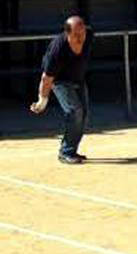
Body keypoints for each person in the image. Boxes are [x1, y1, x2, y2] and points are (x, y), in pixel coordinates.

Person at [30, 15, 93, 164]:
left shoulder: (89, 35)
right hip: (60, 81)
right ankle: (65, 153)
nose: (81, 38)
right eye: (76, 35)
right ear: (67, 34)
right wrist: (42, 101)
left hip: (78, 78)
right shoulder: (57, 50)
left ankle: (71, 150)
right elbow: (46, 78)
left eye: (82, 33)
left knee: (84, 115)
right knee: (74, 111)